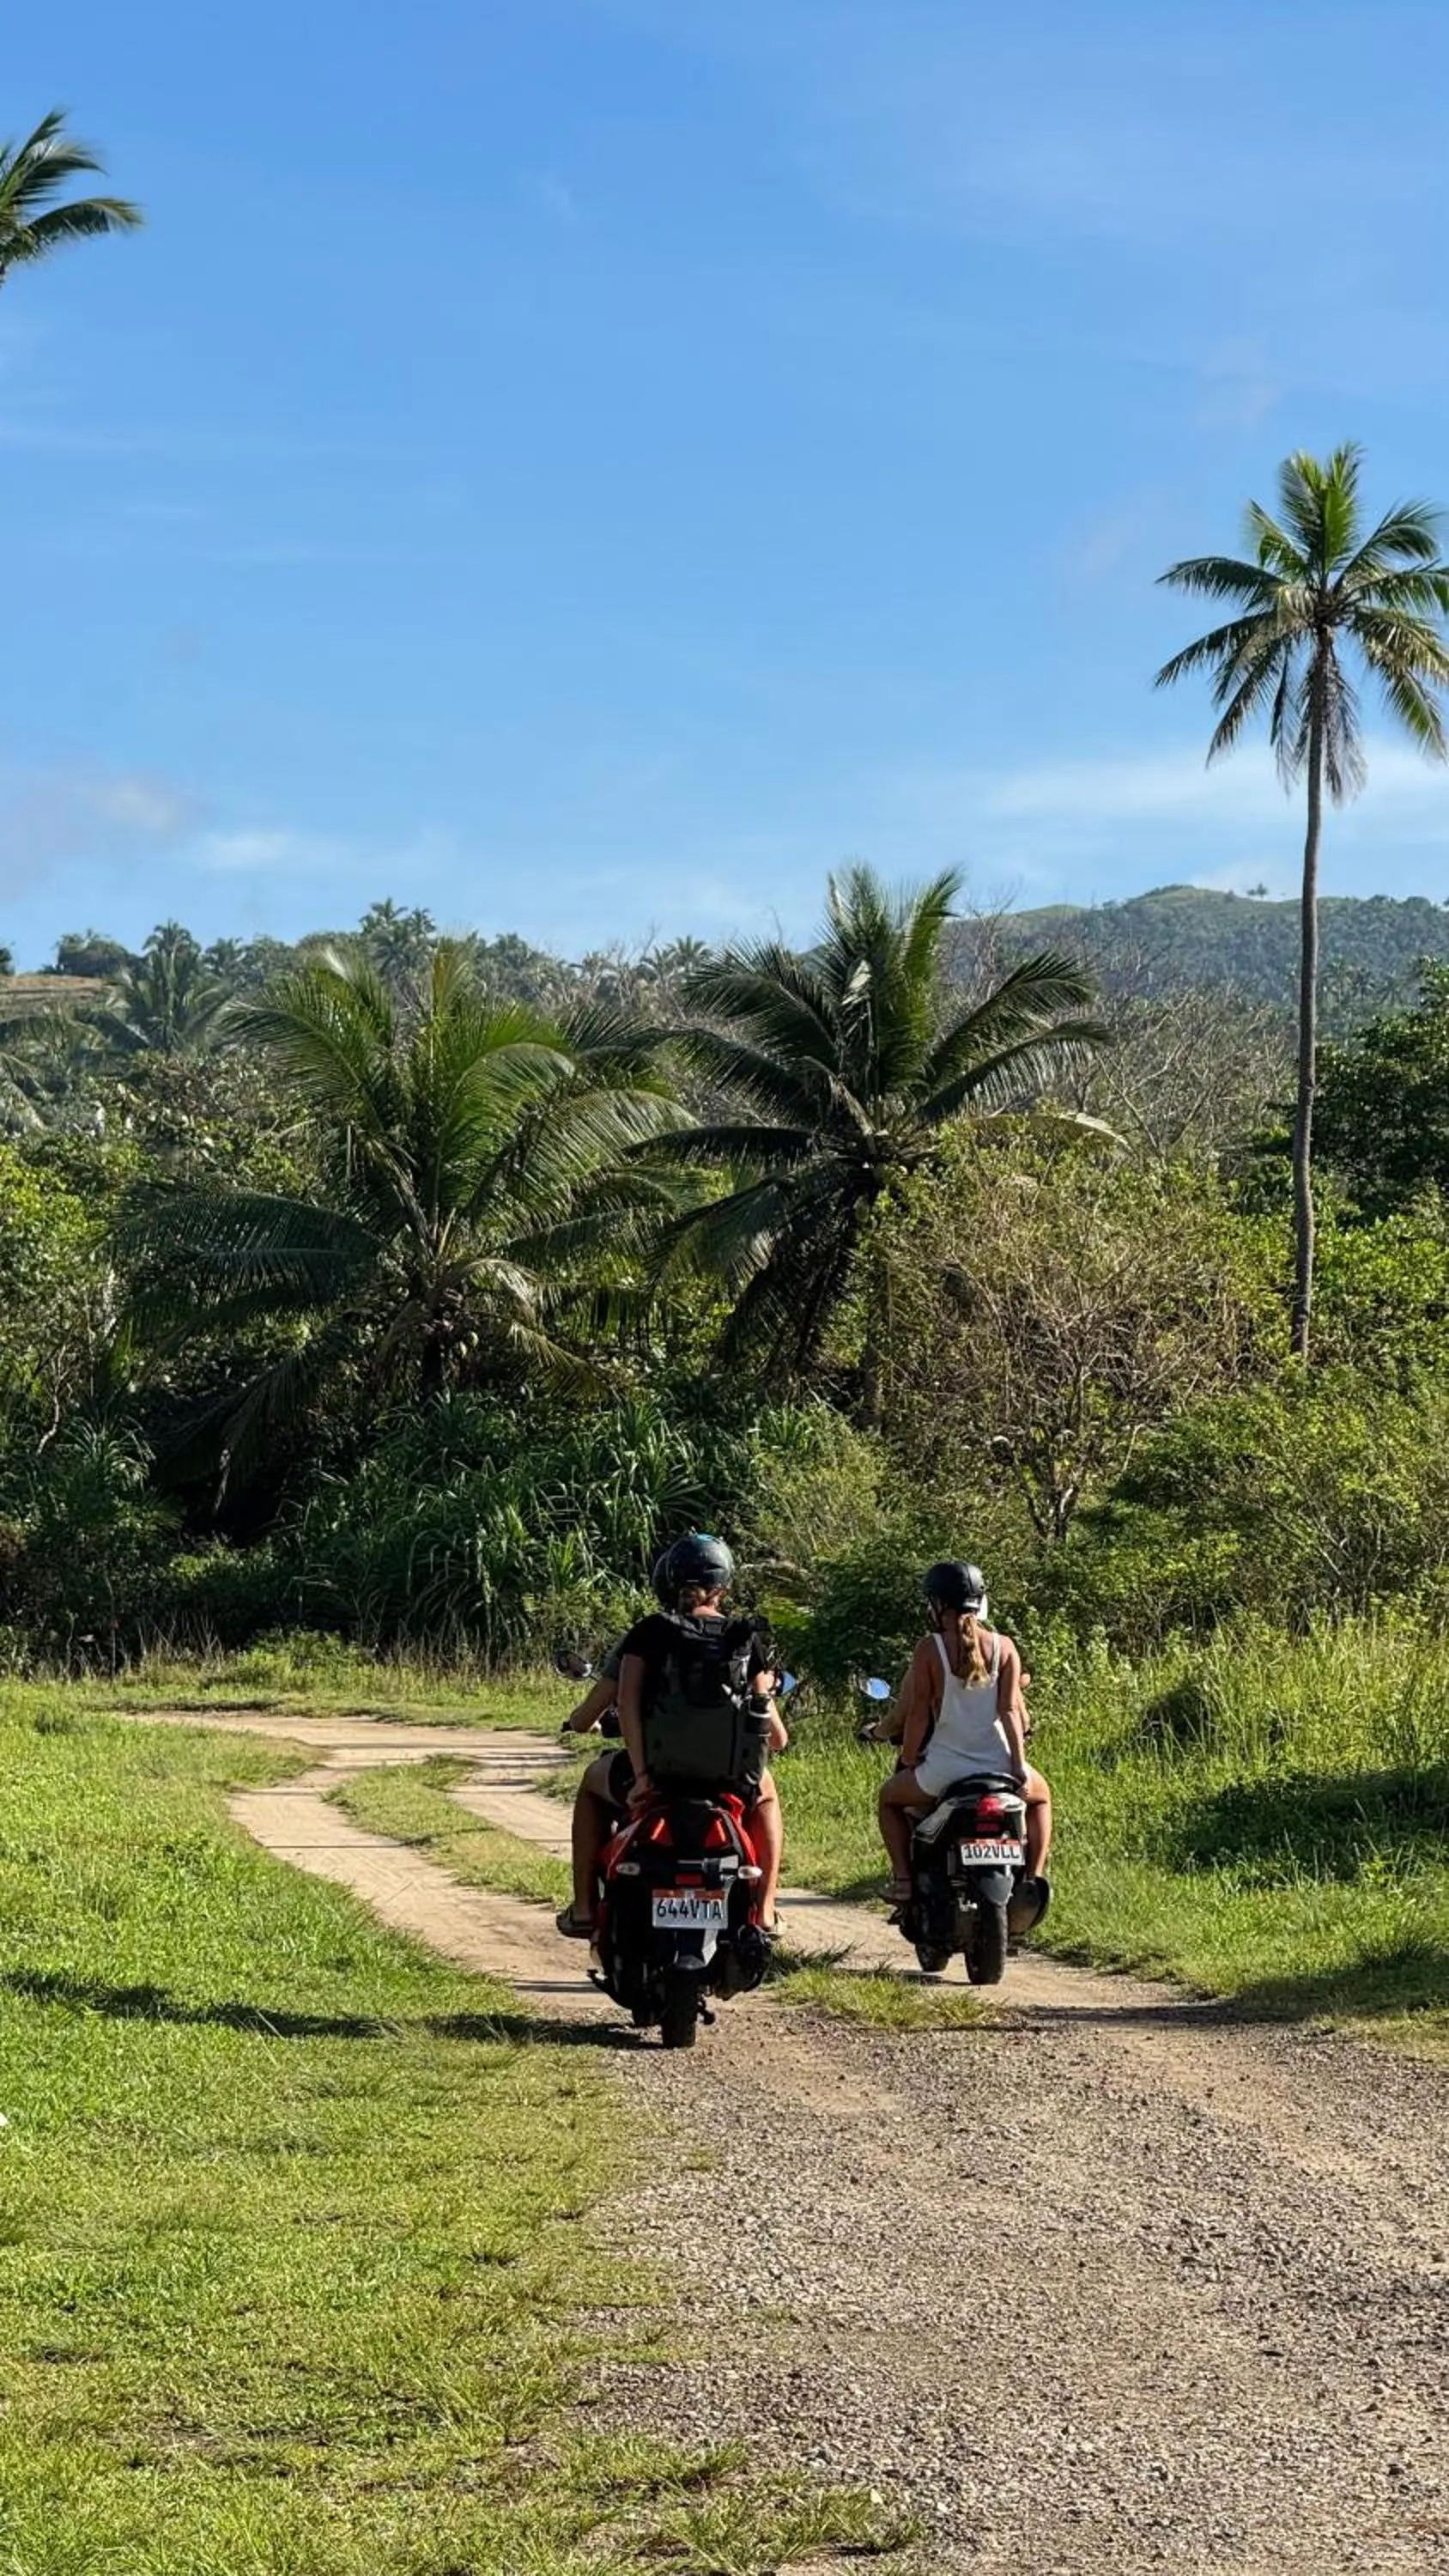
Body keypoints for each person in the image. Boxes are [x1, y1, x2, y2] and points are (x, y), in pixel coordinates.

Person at [555, 1534, 787, 1941]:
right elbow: (777, 1737)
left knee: (592, 1786)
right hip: (729, 1782)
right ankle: (766, 1910)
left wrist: (641, 1774)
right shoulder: (744, 1639)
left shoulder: (649, 1632)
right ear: (723, 1587)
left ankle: (585, 1908)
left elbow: (619, 1704)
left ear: (669, 1582)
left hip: (657, 1778)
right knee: (767, 1794)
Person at [876, 1560, 1052, 1908]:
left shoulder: (931, 1648)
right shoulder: (1005, 1647)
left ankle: (903, 1880)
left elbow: (917, 1714)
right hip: (1000, 1766)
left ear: (939, 1604)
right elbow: (1010, 1711)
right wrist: (1018, 1764)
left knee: (887, 1799)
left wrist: (910, 1757)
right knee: (1042, 1798)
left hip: (945, 1771)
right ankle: (1034, 1878)